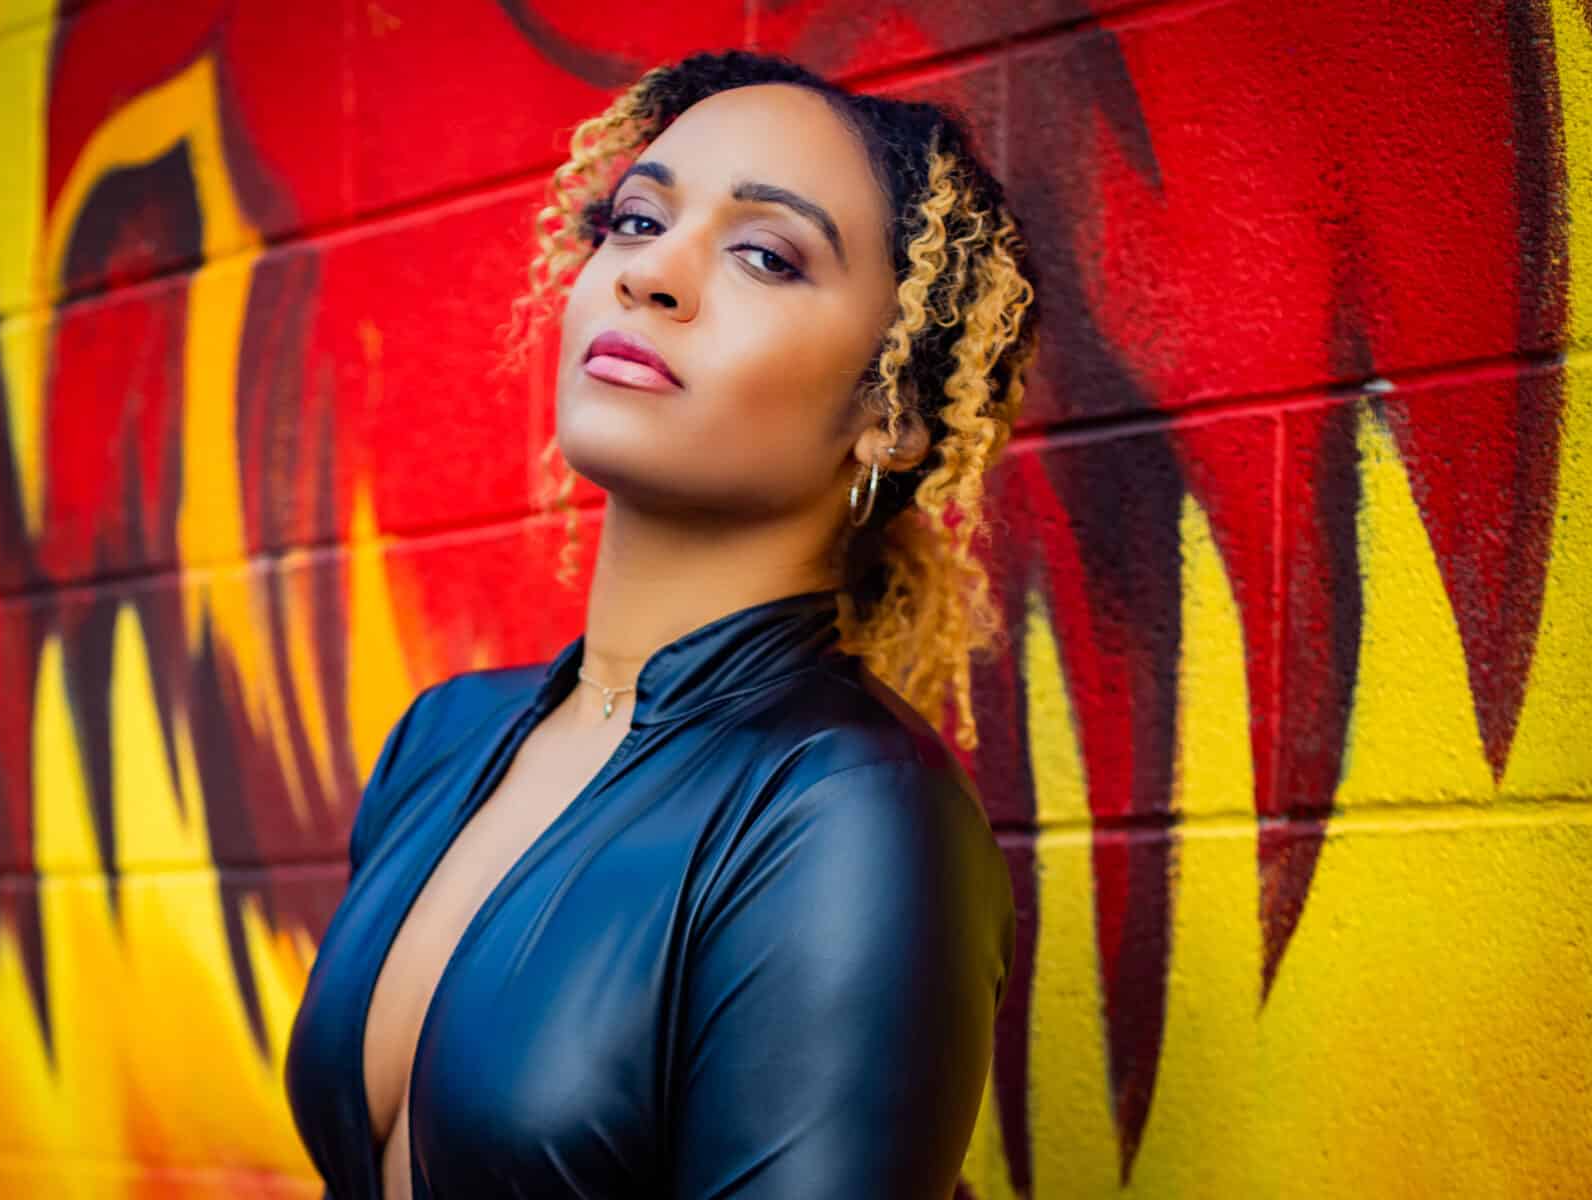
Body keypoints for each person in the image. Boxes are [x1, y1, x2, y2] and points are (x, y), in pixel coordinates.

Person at [284, 47, 1041, 1200]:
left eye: (764, 255)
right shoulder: (439, 744)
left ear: (888, 413)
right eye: (635, 221)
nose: (653, 276)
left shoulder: (844, 810)